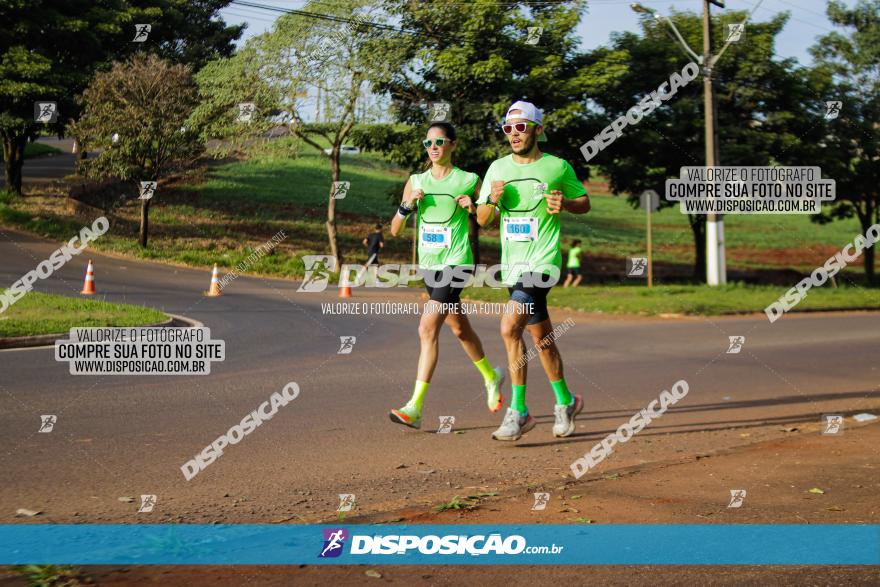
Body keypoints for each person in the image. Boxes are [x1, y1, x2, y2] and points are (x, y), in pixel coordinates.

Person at [476, 101, 591, 441]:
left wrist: (566, 204)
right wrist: (492, 201)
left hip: (542, 263)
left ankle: (519, 411)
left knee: (510, 327)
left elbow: (584, 202)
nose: (514, 134)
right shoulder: (496, 169)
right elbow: (482, 220)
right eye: (508, 128)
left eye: (521, 127)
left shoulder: (557, 167)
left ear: (538, 129)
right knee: (541, 339)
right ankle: (566, 400)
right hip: (513, 266)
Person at [388, 122, 505, 429]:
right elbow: (395, 230)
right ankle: (492, 377)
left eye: (439, 142)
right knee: (459, 329)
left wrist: (474, 207)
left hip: (457, 262)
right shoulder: (416, 180)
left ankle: (414, 407)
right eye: (428, 143)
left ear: (452, 145)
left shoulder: (468, 179)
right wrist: (407, 205)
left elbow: (490, 218)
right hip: (430, 264)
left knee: (427, 327)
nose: (433, 147)